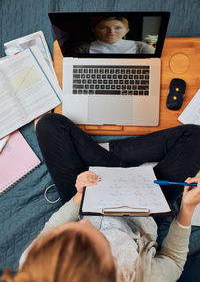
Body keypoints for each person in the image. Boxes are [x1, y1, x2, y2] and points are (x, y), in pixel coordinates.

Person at [2, 113, 200, 282]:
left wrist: (78, 198)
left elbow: (54, 225)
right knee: (196, 139)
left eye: (74, 229)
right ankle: (114, 161)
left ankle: (112, 161)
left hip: (89, 195)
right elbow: (173, 261)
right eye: (100, 241)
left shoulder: (36, 262)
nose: (88, 224)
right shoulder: (136, 274)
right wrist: (187, 209)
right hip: (143, 210)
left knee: (48, 126)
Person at [75, 16, 154, 54]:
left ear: (126, 31)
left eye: (118, 28)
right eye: (104, 28)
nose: (111, 32)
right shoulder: (84, 48)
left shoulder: (141, 47)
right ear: (95, 30)